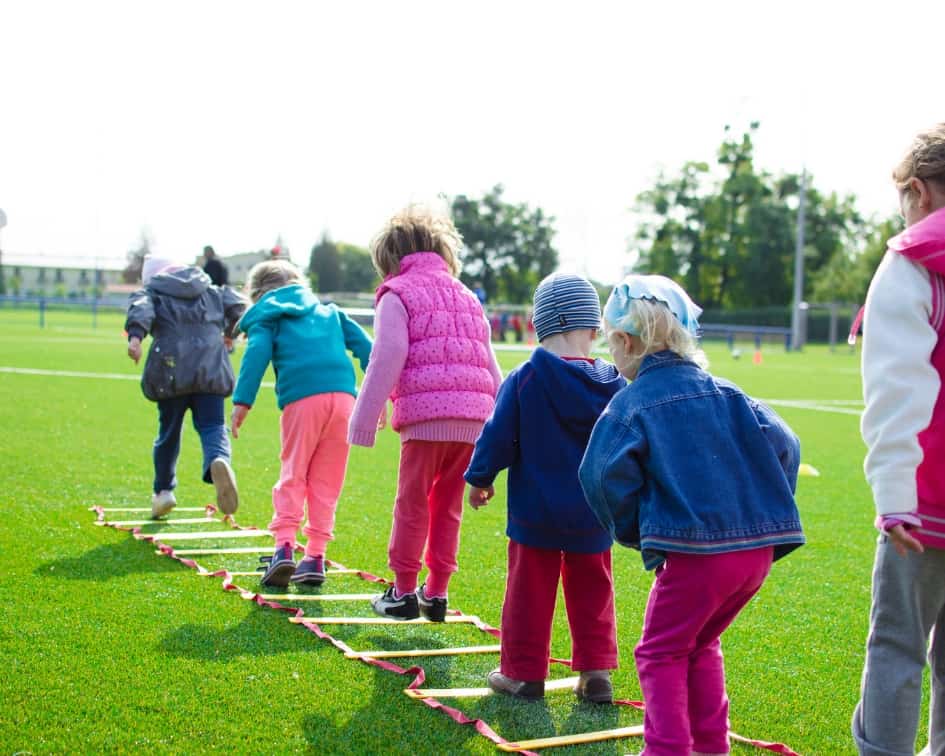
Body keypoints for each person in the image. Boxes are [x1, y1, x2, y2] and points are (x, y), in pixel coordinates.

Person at [579, 274, 804, 756]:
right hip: (754, 557)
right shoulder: (730, 393)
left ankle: (667, 749)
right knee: (699, 644)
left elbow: (599, 476)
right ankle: (710, 746)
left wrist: (639, 532)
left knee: (659, 652)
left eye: (610, 343)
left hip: (697, 557)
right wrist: (764, 512)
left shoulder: (630, 404)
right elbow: (788, 446)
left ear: (625, 341)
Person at [465, 273, 625, 703]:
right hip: (594, 512)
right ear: (594, 329)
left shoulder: (525, 378)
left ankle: (523, 673)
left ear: (538, 325)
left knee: (528, 591)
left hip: (535, 511)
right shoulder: (615, 384)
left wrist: (480, 478)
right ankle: (596, 673)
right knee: (594, 589)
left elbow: (498, 435)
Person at [347, 205, 502, 621]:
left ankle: (401, 592)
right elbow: (490, 364)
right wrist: (502, 428)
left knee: (412, 503)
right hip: (474, 420)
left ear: (389, 258)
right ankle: (436, 593)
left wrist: (364, 416)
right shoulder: (467, 296)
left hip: (426, 419)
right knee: (447, 506)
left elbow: (389, 354)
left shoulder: (397, 293)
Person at [852, 124, 945, 756]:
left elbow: (896, 388)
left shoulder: (913, 260)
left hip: (927, 499)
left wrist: (894, 497)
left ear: (916, 190)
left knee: (897, 645)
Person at [230, 259, 372, 588]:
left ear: (257, 293)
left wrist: (242, 401)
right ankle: (315, 557)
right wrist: (379, 396)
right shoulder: (331, 312)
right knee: (327, 481)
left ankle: (283, 549)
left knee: (293, 473)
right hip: (344, 400)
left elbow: (257, 353)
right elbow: (369, 349)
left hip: (303, 400)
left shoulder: (269, 315)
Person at [125, 254, 246, 519]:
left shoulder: (154, 292)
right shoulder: (210, 289)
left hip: (171, 371)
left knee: (169, 432)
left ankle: (164, 491)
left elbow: (141, 308)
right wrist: (231, 332)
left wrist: (135, 337)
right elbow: (239, 306)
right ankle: (218, 459)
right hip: (211, 368)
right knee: (213, 426)